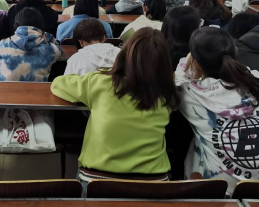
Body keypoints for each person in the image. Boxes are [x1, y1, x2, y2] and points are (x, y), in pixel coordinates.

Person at [52, 28, 177, 191]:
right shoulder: (168, 92)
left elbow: (58, 84)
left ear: (125, 55)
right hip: (154, 182)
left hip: (98, 179)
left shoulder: (100, 82)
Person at [175, 28, 259, 196]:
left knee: (197, 144)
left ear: (197, 64)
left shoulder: (191, 94)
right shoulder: (258, 81)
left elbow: (178, 79)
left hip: (225, 194)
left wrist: (189, 65)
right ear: (236, 51)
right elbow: (243, 71)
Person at [0, 8, 62, 82]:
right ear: (41, 27)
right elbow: (57, 45)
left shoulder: (1, 47)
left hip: (6, 91)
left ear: (15, 25)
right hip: (37, 91)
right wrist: (44, 36)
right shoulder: (50, 50)